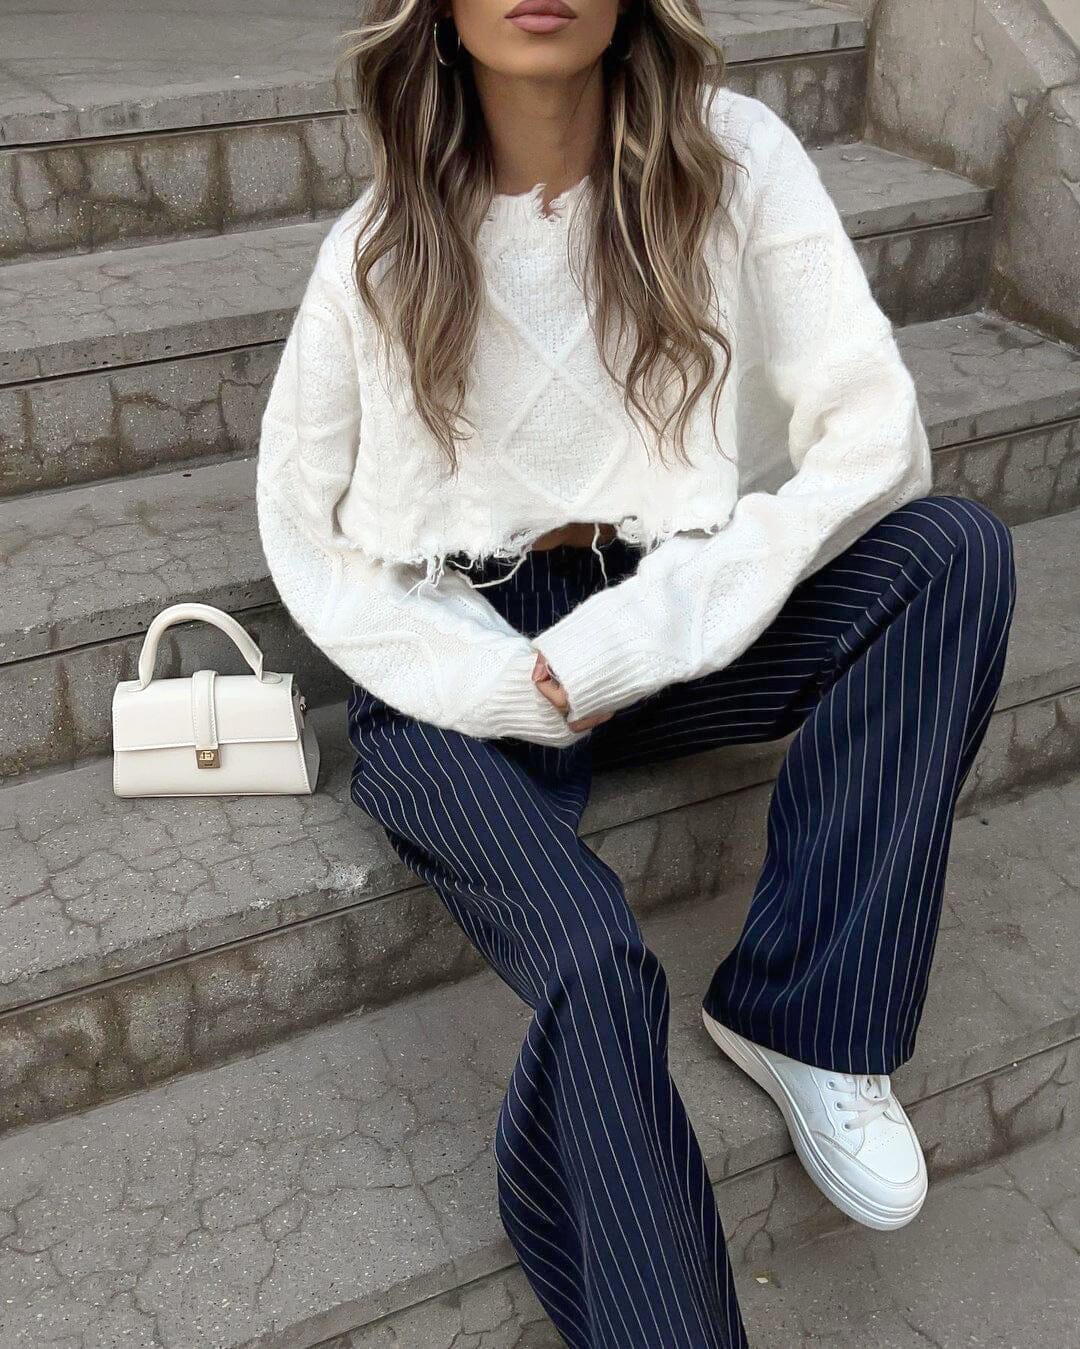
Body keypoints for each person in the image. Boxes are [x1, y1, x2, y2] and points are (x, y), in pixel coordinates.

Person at [255, 0, 1017, 1342]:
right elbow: (312, 548)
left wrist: (652, 625)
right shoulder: (377, 250)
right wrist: (501, 683)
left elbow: (873, 441)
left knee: (951, 555)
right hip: (451, 660)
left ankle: (810, 1014)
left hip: (658, 602)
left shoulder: (733, 161)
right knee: (601, 968)